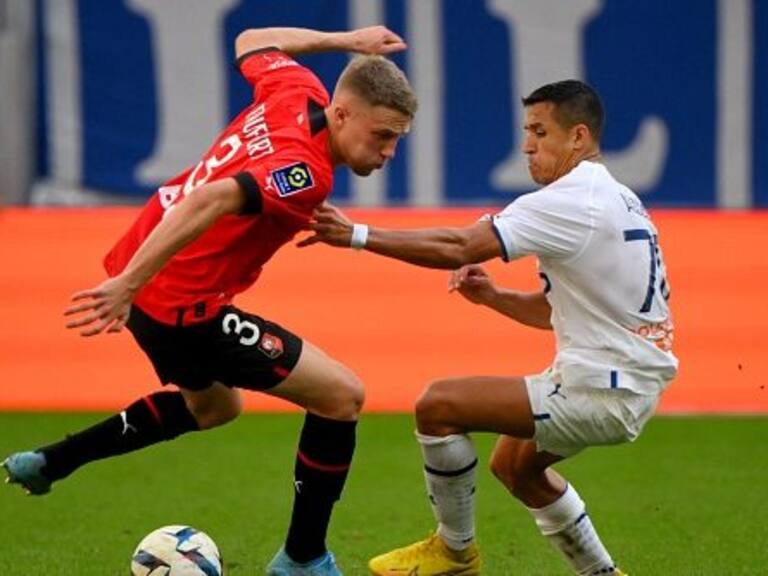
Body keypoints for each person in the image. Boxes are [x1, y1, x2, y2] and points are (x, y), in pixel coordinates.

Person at [2, 25, 417, 576]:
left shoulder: (296, 89)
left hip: (151, 277)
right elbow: (214, 197)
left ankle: (49, 461)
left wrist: (345, 40)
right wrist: (127, 282)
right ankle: (302, 559)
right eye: (382, 135)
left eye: (397, 140)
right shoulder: (306, 173)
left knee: (215, 407)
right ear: (341, 114)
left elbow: (252, 39)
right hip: (180, 302)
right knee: (341, 396)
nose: (388, 152)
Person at [299, 80, 677, 575]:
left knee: (438, 406)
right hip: (628, 381)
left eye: (540, 132)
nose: (526, 145)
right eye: (526, 131)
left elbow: (460, 245)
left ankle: (455, 552)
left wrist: (356, 235)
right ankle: (604, 574)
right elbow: (558, 310)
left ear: (579, 138)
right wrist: (495, 297)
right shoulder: (619, 198)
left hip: (601, 388)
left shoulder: (572, 198)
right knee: (514, 467)